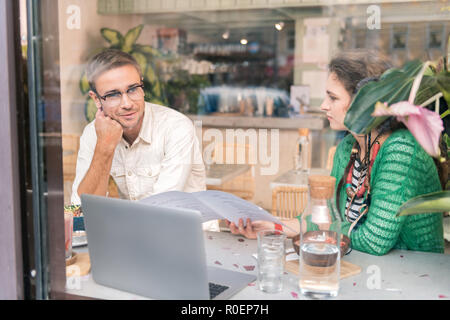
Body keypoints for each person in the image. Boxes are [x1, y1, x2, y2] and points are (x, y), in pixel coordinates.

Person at [227, 50, 445, 256]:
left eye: (333, 97)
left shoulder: (401, 150)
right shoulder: (348, 147)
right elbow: (325, 216)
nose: (323, 105)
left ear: (365, 100)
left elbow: (374, 241)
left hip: (410, 279)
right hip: (361, 267)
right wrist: (272, 226)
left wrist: (317, 228)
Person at [71, 49, 206, 205]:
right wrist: (104, 148)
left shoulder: (175, 127)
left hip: (189, 228)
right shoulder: (93, 133)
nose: (127, 104)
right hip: (137, 226)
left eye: (133, 89)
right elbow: (78, 209)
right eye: (113, 94)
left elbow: (162, 210)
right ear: (96, 99)